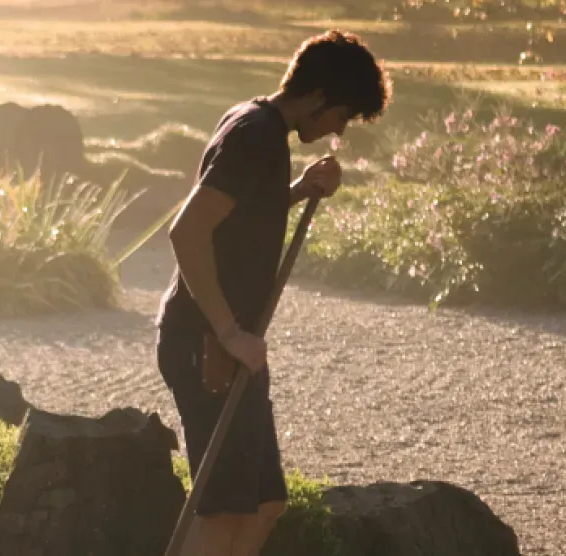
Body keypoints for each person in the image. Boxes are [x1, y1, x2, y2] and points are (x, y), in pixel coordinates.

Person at [158, 30, 387, 556]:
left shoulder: (257, 124)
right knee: (222, 511)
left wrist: (299, 192)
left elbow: (237, 214)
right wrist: (228, 331)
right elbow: (187, 232)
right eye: (342, 116)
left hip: (232, 343)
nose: (339, 131)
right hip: (208, 344)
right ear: (318, 97)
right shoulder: (255, 134)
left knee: (264, 505)